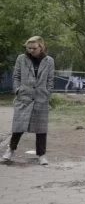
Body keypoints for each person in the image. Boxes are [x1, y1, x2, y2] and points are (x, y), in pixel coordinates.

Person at [2, 36, 55, 165]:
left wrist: (47, 91)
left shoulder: (49, 61)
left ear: (41, 47)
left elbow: (50, 79)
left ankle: (41, 155)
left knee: (41, 129)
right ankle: (10, 150)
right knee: (18, 127)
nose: (31, 50)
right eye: (29, 48)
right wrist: (18, 90)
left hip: (41, 98)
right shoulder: (21, 59)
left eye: (34, 48)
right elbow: (16, 76)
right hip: (24, 98)